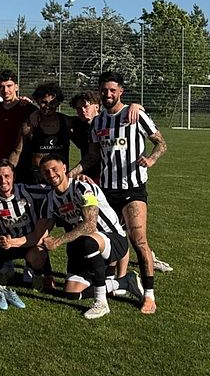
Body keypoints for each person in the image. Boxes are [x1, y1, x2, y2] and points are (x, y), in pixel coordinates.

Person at [72, 71, 167, 314]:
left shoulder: (135, 114)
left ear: (121, 91)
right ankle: (115, 283)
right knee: (107, 241)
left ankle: (149, 295)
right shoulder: (99, 122)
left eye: (113, 90)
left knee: (139, 241)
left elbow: (161, 143)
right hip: (107, 192)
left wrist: (152, 159)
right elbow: (92, 156)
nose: (108, 94)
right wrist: (70, 174)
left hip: (133, 189)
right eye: (104, 90)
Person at [18, 155, 139, 320]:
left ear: (64, 168)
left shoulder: (83, 188)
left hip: (112, 239)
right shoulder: (49, 200)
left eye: (54, 169)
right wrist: (10, 243)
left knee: (89, 240)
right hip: (82, 246)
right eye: (46, 171)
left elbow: (90, 225)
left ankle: (101, 302)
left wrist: (58, 241)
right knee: (71, 293)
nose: (51, 174)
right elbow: (37, 234)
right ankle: (125, 282)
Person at [0, 162, 53, 290]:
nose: (3, 180)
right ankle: (5, 267)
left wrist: (75, 178)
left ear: (13, 177)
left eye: (6, 176)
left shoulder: (27, 190)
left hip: (30, 242)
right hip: (6, 244)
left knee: (39, 255)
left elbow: (54, 190)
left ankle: (37, 274)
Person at [8, 82, 73, 185]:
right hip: (36, 178)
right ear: (37, 101)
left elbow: (86, 145)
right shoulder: (29, 125)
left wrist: (76, 172)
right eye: (43, 102)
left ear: (58, 103)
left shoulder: (68, 123)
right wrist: (8, 173)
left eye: (52, 103)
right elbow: (17, 152)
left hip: (60, 179)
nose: (47, 106)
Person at [0, 70, 36, 166]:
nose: (5, 90)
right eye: (1, 86)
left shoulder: (28, 109)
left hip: (24, 164)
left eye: (9, 86)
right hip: (0, 163)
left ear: (16, 87)